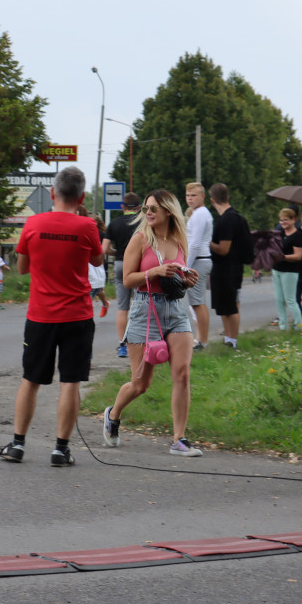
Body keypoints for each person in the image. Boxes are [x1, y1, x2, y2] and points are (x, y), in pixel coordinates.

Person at [0, 166, 103, 467]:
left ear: (52, 192)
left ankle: (17, 445)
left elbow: (21, 268)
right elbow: (96, 260)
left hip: (41, 316)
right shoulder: (88, 228)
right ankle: (60, 449)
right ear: (81, 196)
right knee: (70, 382)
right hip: (78, 316)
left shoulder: (33, 223)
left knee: (30, 380)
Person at [102, 190, 203, 457]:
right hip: (145, 309)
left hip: (176, 310)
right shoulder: (140, 239)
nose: (148, 213)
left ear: (168, 211)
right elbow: (127, 280)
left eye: (154, 208)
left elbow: (180, 275)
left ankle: (179, 439)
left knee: (182, 374)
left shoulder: (180, 240)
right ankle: (113, 414)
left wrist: (186, 279)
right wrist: (154, 271)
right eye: (147, 208)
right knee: (140, 383)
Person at [208, 183, 248, 349]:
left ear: (212, 200)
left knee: (230, 306)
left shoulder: (226, 220)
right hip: (234, 267)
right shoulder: (237, 217)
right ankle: (229, 339)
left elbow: (223, 249)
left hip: (226, 269)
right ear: (228, 197)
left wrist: (207, 243)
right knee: (227, 305)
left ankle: (232, 341)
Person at [102, 192, 141, 358]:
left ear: (122, 207)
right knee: (141, 305)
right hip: (138, 266)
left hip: (119, 265)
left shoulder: (114, 224)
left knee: (122, 308)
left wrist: (117, 252)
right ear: (139, 207)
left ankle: (122, 345)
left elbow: (104, 249)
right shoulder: (142, 223)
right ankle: (140, 343)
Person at [184, 183, 213, 350]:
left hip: (199, 260)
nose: (190, 198)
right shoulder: (197, 213)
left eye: (194, 195)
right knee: (195, 301)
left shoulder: (200, 214)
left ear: (202, 197)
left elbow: (194, 244)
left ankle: (202, 340)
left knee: (197, 301)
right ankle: (200, 338)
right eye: (188, 195)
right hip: (199, 259)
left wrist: (185, 268)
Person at [271, 208, 302, 330]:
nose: (283, 222)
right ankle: (283, 327)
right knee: (279, 299)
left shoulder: (298, 234)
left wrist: (283, 257)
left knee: (290, 300)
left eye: (286, 220)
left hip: (290, 271)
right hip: (277, 269)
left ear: (293, 220)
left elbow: (298, 256)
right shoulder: (279, 233)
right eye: (281, 220)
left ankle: (299, 327)